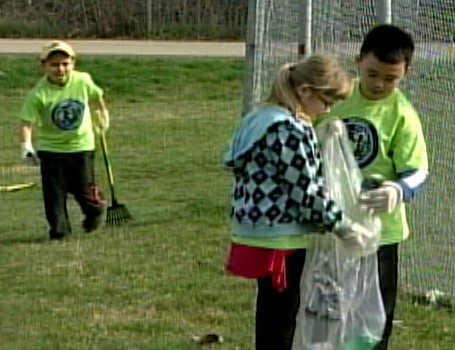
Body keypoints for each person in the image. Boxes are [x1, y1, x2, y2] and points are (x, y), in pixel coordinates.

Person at [223, 54, 377, 350]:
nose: (327, 110)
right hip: (280, 236)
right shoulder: (289, 130)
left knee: (271, 311)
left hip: (255, 228)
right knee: (282, 318)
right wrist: (344, 227)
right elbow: (306, 193)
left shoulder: (260, 117)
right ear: (305, 91)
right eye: (326, 102)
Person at [319, 24, 429, 350]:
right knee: (327, 308)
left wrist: (397, 190)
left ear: (406, 72)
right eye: (372, 74)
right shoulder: (335, 96)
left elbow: (418, 171)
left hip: (381, 233)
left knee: (372, 316)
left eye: (390, 78)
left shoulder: (403, 115)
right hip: (332, 226)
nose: (380, 84)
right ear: (357, 61)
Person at [19, 40, 110, 240]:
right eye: (54, 64)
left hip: (82, 147)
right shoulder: (38, 93)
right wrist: (26, 146)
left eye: (65, 63)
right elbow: (27, 122)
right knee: (54, 193)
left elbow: (97, 95)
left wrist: (102, 114)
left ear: (73, 63)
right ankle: (59, 231)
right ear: (44, 66)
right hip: (51, 150)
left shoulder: (83, 81)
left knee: (84, 190)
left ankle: (95, 212)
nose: (60, 69)